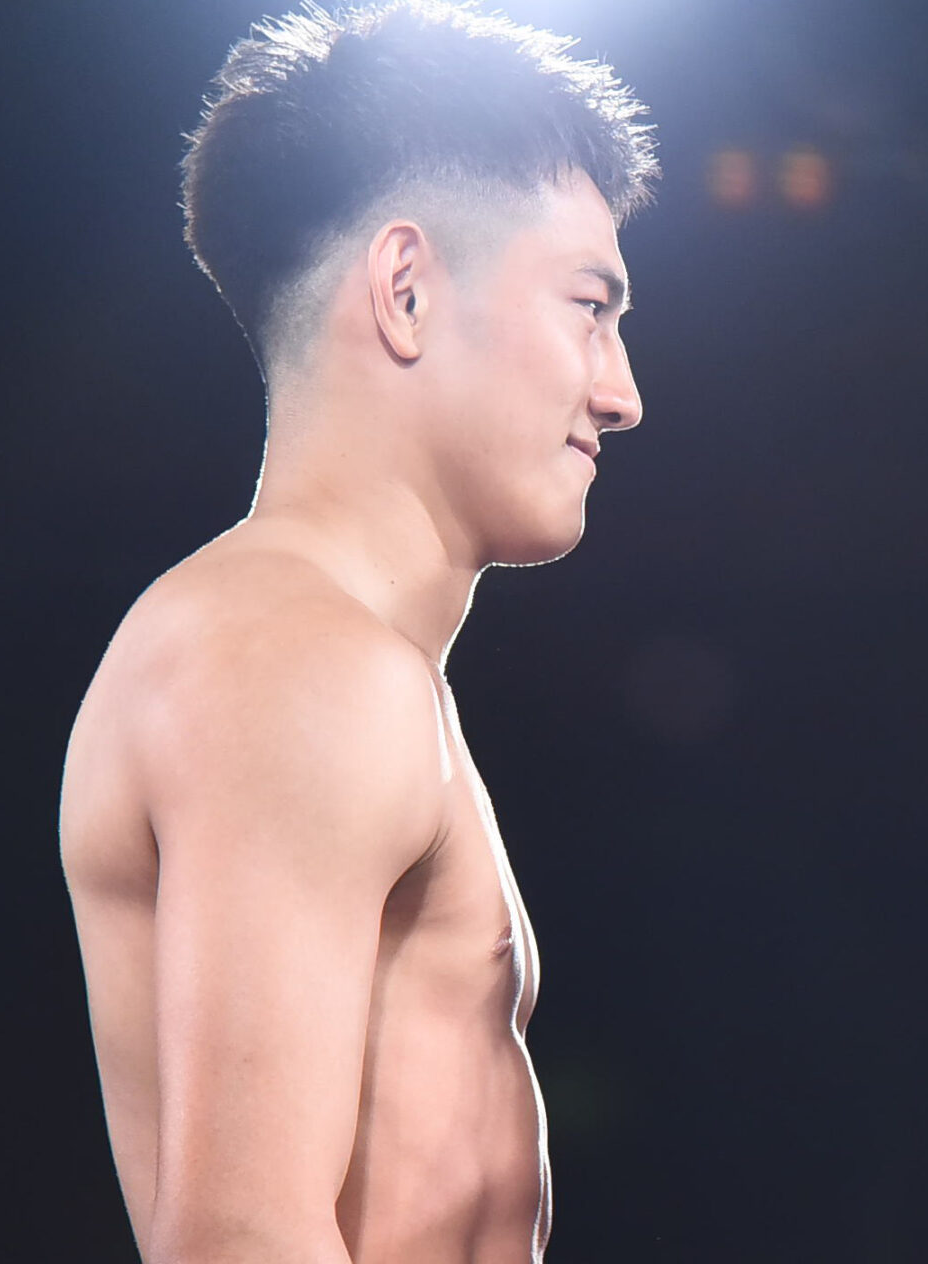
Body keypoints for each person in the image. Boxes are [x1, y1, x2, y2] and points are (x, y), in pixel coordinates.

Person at [58, 4, 656, 1260]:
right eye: (589, 305)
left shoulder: (313, 651)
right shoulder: (299, 662)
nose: (622, 392)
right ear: (407, 288)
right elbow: (240, 1238)